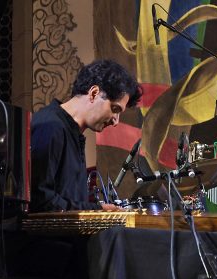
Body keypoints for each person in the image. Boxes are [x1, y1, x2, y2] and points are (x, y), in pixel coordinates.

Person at [30, 59, 142, 212]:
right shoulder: (50, 126)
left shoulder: (73, 133)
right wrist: (96, 210)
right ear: (94, 93)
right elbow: (39, 200)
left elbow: (66, 199)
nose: (116, 121)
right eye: (115, 109)